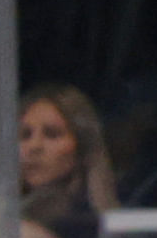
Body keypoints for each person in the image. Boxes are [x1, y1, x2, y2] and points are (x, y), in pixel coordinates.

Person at [17, 83, 121, 217]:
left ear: (83, 147)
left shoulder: (84, 220)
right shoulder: (2, 212)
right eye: (25, 135)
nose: (34, 146)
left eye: (52, 134)